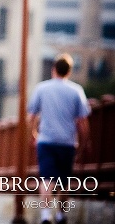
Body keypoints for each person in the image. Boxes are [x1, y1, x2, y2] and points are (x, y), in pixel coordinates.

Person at [27, 53, 91, 224]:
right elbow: (83, 121)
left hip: (46, 140)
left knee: (46, 179)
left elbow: (31, 117)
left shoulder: (42, 88)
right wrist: (84, 142)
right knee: (64, 181)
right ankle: (61, 215)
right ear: (69, 71)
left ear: (53, 69)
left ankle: (46, 215)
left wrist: (33, 134)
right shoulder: (76, 90)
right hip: (67, 142)